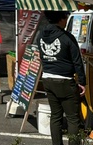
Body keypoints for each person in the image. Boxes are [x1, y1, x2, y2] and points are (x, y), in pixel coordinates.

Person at [38, 10, 86, 145]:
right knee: (72, 119)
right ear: (61, 19)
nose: (66, 20)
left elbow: (41, 56)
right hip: (65, 80)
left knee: (55, 117)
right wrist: (82, 82)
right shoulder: (67, 37)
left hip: (47, 78)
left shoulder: (41, 36)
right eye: (66, 17)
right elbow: (77, 61)